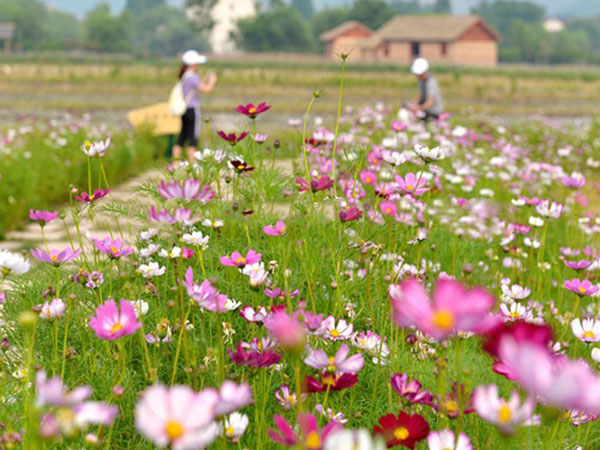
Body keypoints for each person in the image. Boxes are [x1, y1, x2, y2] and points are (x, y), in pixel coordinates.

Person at [172, 50, 217, 162]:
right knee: (193, 137)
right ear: (192, 64)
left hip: (184, 110)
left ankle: (175, 163)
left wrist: (204, 80)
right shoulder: (192, 76)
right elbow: (206, 89)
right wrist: (212, 80)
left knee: (182, 136)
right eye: (196, 63)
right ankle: (192, 164)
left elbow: (196, 85)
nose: (198, 65)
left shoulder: (185, 75)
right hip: (192, 109)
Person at [408, 58, 444, 122]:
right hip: (425, 110)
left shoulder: (431, 82)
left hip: (434, 113)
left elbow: (431, 101)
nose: (417, 76)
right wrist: (411, 105)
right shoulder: (422, 81)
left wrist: (418, 108)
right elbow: (420, 96)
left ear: (424, 72)